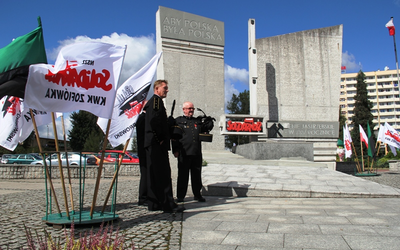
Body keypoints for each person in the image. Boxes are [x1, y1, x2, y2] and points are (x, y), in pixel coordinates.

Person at [143, 80, 181, 213]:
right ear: (157, 89)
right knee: (163, 175)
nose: (167, 90)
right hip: (157, 144)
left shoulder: (154, 102)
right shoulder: (156, 102)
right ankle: (168, 204)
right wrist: (160, 139)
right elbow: (154, 122)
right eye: (165, 88)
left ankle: (155, 204)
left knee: (154, 175)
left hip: (152, 144)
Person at [172, 101, 214, 202]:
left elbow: (205, 130)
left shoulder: (197, 121)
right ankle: (180, 196)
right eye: (189, 108)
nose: (191, 110)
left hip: (196, 153)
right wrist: (175, 150)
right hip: (184, 153)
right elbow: (174, 137)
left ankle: (197, 194)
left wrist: (209, 123)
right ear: (184, 109)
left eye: (192, 108)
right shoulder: (178, 121)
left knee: (196, 175)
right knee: (183, 176)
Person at [136, 110, 147, 206]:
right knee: (145, 175)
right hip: (144, 151)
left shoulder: (142, 118)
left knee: (147, 175)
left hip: (144, 151)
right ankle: (143, 198)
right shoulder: (142, 118)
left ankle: (145, 197)